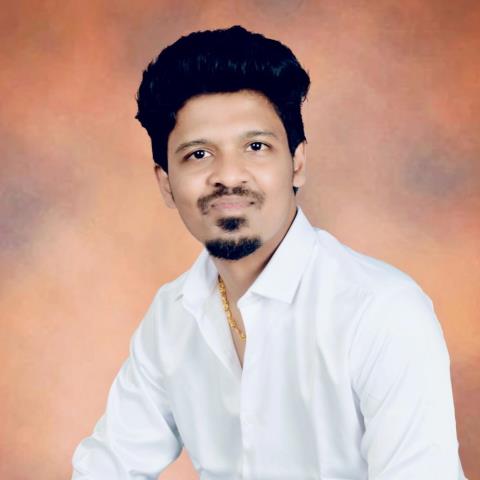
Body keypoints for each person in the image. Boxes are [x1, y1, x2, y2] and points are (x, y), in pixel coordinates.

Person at [71, 25, 467, 479]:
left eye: (256, 147)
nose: (228, 175)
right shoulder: (171, 316)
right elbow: (107, 467)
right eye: (198, 155)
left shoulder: (381, 311)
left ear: (297, 163)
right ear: (165, 183)